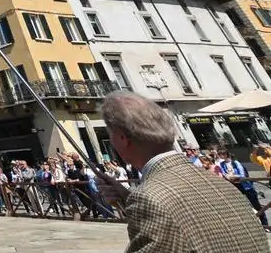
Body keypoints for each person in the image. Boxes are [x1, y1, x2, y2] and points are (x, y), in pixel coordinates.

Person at [101, 91, 269, 253]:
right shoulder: (222, 184)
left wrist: (139, 203)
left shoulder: (148, 199)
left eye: (111, 134)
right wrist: (128, 200)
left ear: (123, 139)